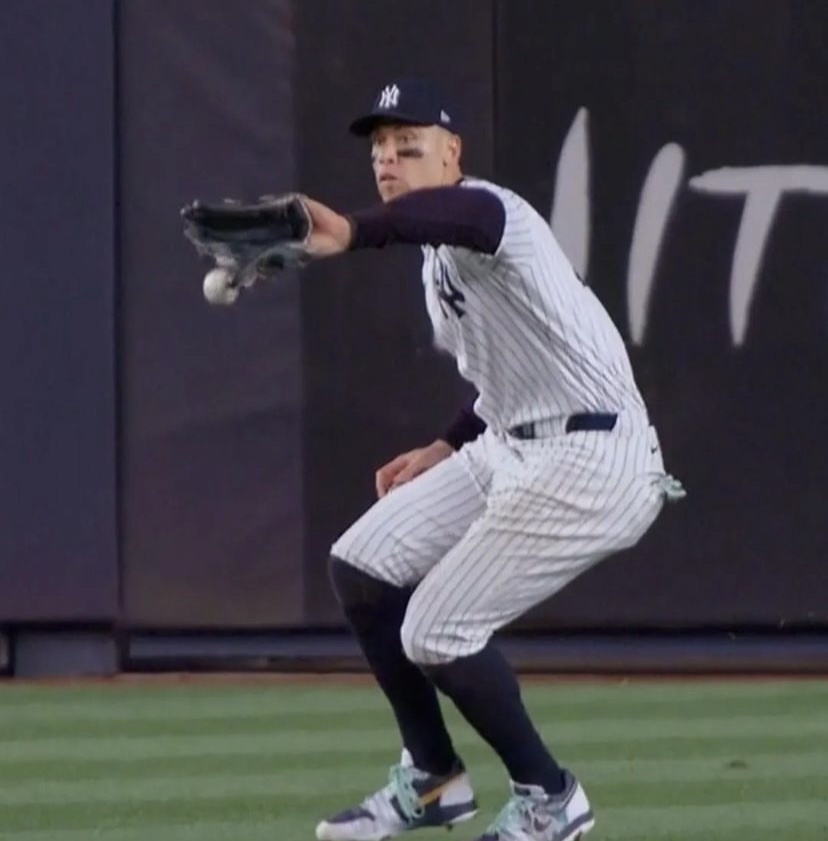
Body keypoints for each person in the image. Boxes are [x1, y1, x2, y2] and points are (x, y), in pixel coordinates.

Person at [298, 78, 685, 841]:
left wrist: (352, 231)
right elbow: (505, 375)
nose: (388, 159)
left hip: (593, 457)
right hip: (512, 443)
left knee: (435, 631)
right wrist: (446, 443)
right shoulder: (436, 258)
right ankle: (434, 777)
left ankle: (550, 796)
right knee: (361, 565)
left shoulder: (494, 213)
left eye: (408, 145)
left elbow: (466, 215)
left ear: (453, 153)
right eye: (380, 148)